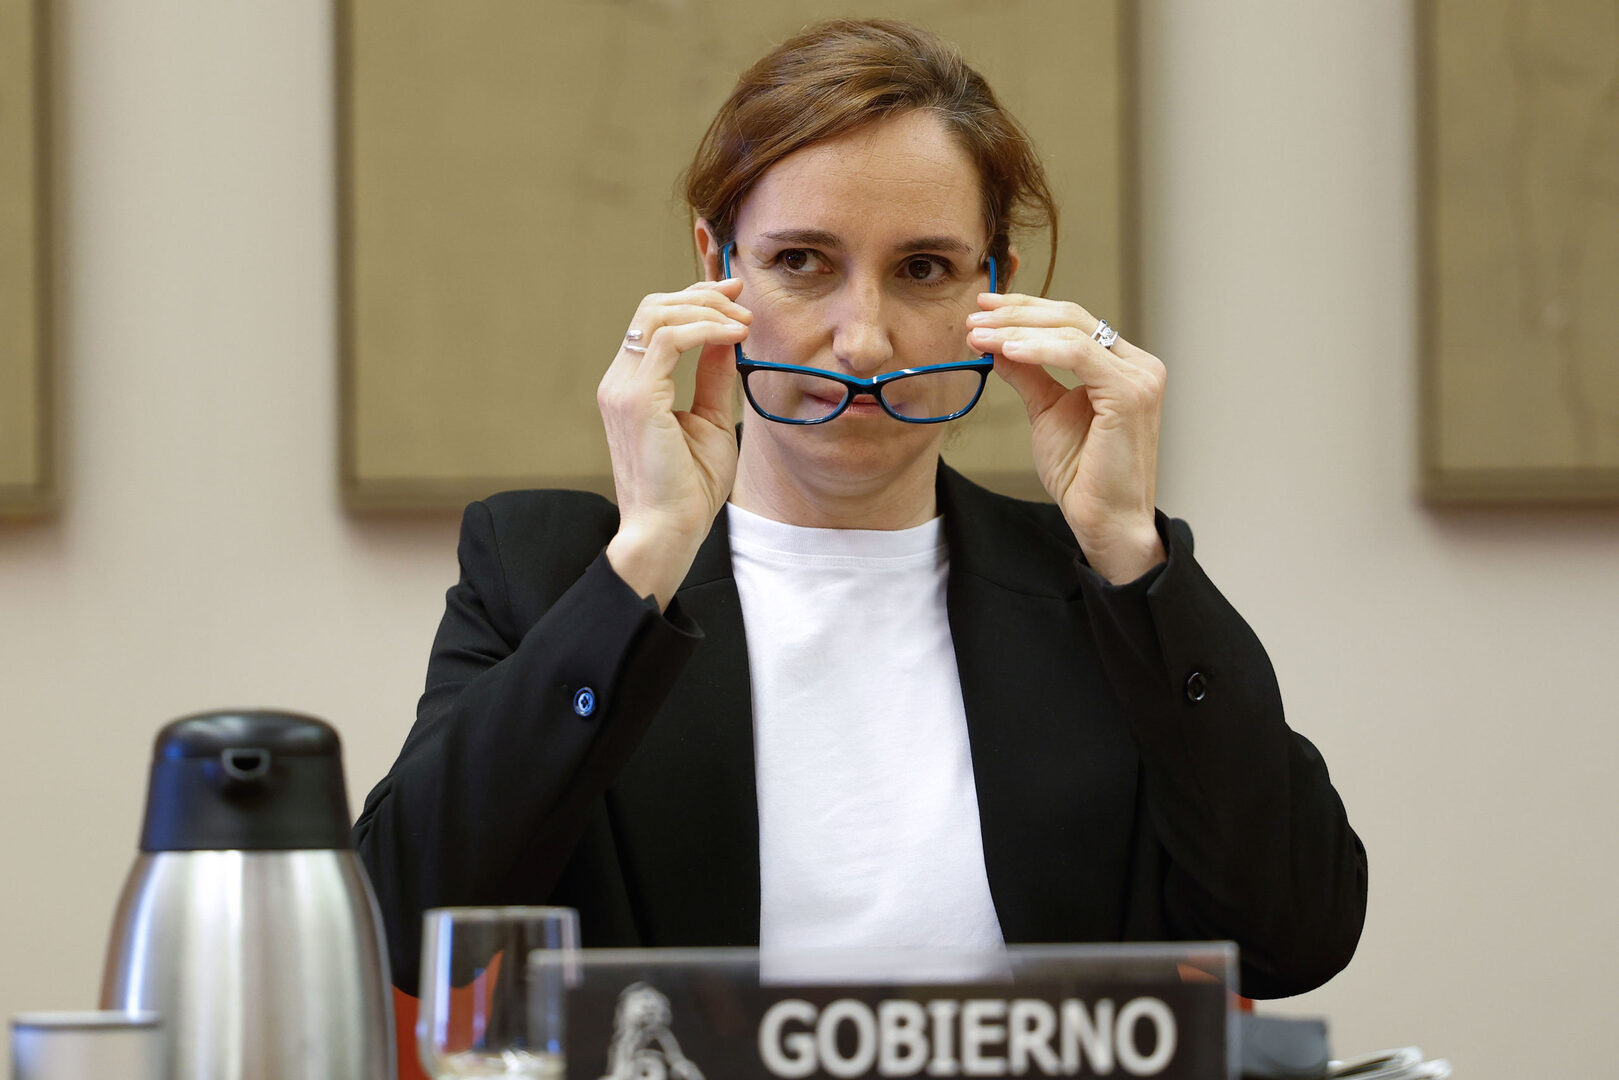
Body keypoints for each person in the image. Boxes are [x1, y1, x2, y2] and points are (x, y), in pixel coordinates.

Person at [353, 17, 1367, 1001]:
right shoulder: (548, 571)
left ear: (994, 291)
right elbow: (402, 927)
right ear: (717, 269)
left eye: (922, 269)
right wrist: (647, 558)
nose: (864, 342)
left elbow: (1293, 936)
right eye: (801, 262)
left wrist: (1129, 556)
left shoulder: (1098, 594)